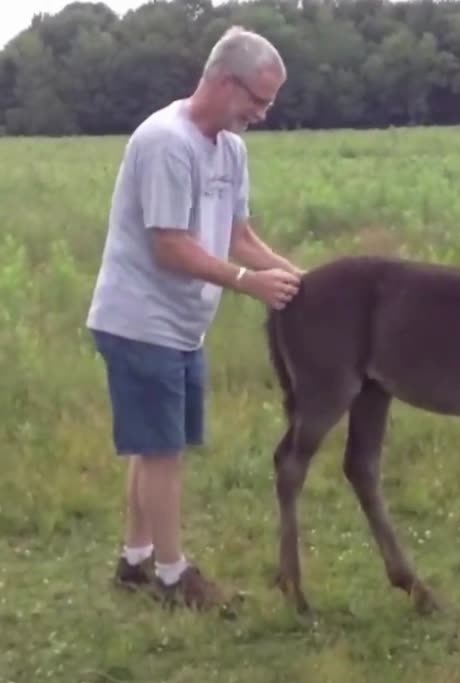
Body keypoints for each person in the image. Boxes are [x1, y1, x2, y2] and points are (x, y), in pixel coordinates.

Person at [85, 26, 304, 611]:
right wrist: (246, 283)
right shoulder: (165, 141)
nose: (261, 113)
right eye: (257, 99)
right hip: (138, 319)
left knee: (156, 445)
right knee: (163, 453)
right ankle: (173, 575)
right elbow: (170, 246)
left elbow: (240, 236)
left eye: (268, 103)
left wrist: (302, 280)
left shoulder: (230, 150)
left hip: (183, 324)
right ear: (223, 81)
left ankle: (134, 560)